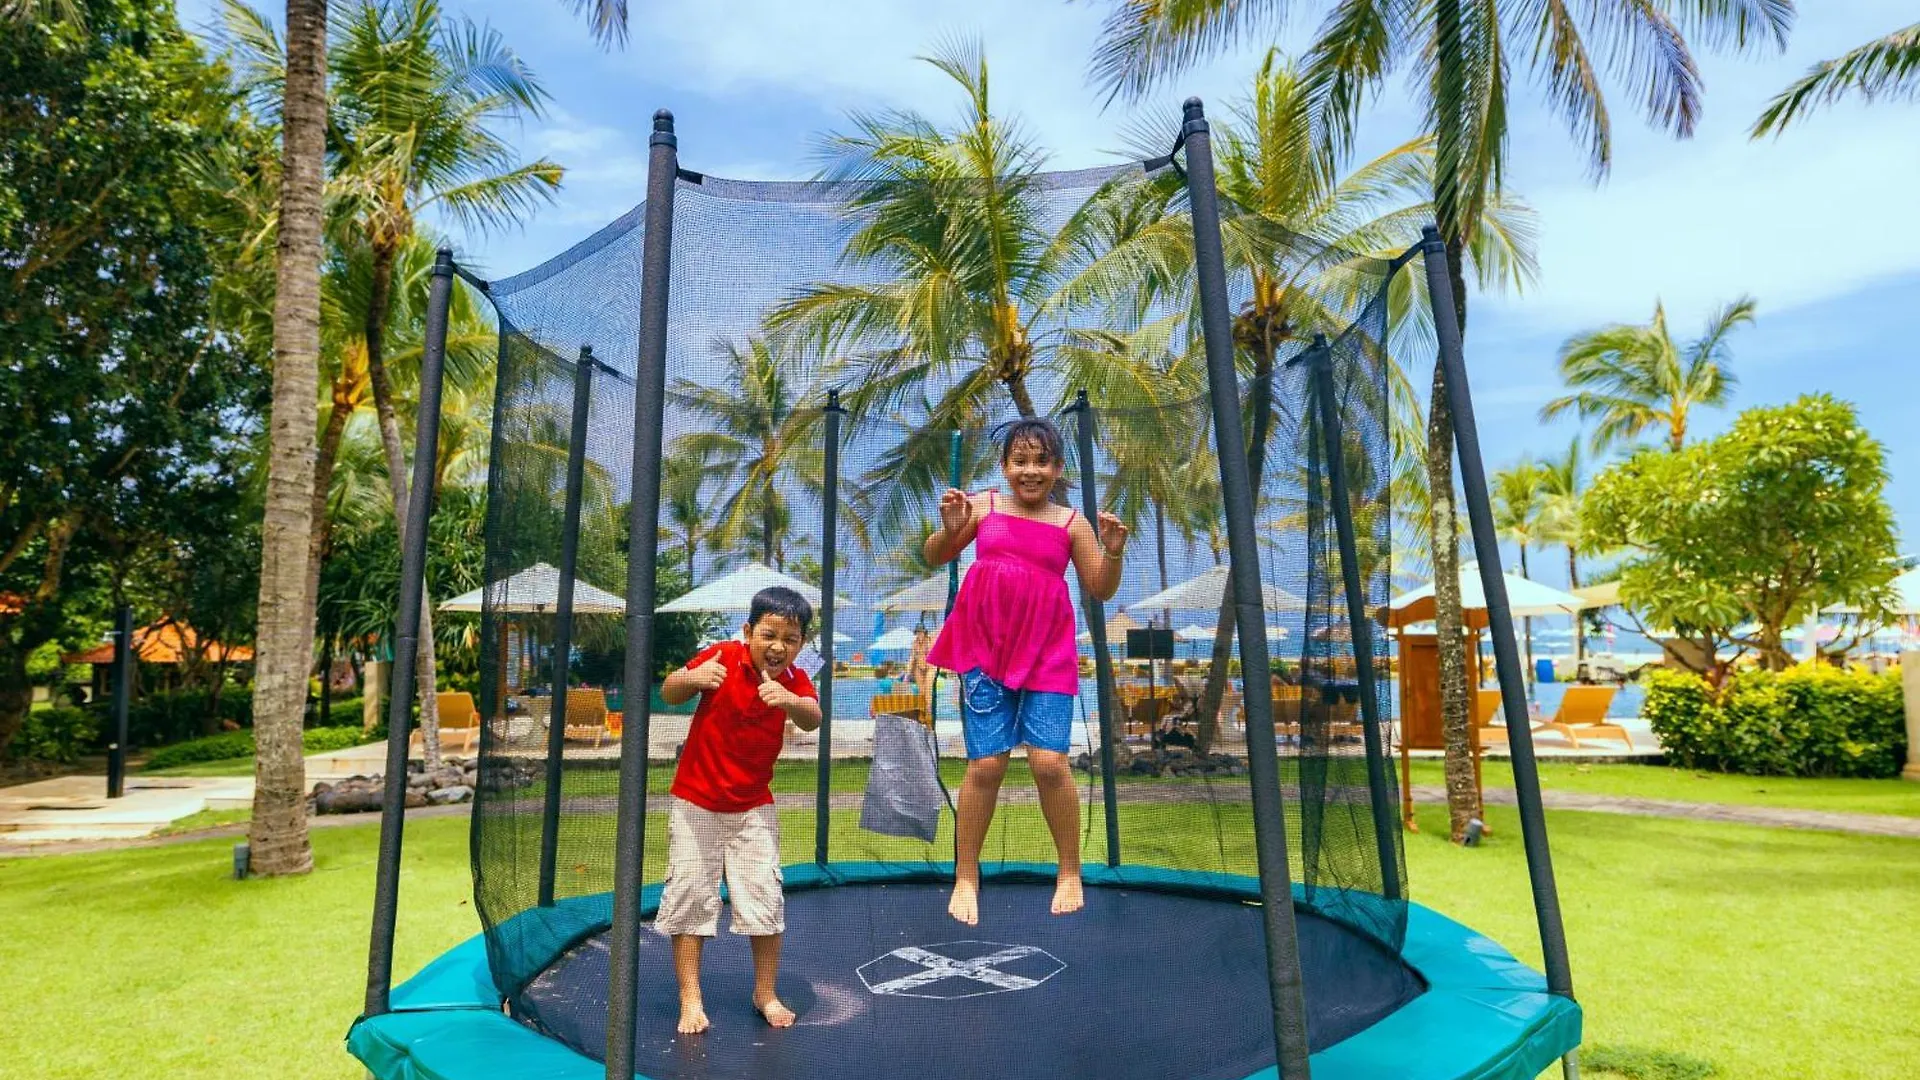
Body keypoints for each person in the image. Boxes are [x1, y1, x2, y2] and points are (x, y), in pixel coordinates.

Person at [924, 417, 1128, 925]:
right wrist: (949, 531)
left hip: (1047, 654)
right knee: (986, 765)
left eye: (1041, 462)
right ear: (1005, 466)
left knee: (1049, 765)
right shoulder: (983, 506)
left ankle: (1069, 871)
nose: (1030, 471)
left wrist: (1115, 553)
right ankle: (966, 876)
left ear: (1057, 468)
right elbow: (934, 556)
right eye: (1021, 461)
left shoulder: (1071, 523)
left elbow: (1101, 588)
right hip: (984, 649)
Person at [656, 586, 824, 1036]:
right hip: (696, 802)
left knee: (765, 899)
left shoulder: (793, 681)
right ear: (749, 631)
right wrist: (692, 679)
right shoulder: (723, 657)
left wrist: (788, 702)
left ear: (800, 644)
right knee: (690, 898)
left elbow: (812, 715)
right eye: (769, 634)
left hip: (753, 807)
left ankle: (764, 992)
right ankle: (690, 999)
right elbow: (670, 689)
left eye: (790, 639)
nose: (778, 647)